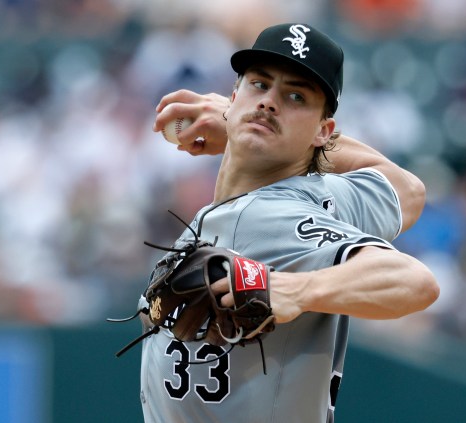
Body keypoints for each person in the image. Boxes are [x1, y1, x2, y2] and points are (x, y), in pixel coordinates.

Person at [143, 23, 439, 422]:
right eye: (259, 85)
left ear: (324, 130)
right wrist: (245, 130)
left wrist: (294, 289)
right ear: (231, 97)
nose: (269, 103)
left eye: (295, 96)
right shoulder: (326, 196)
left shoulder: (270, 216)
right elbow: (408, 190)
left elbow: (415, 282)